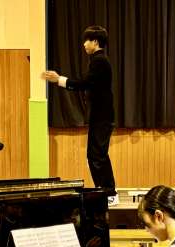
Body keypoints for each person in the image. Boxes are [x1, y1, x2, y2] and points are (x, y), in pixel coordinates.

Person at [42, 25, 118, 205]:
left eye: (87, 40)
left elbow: (84, 83)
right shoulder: (97, 60)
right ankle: (105, 191)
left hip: (102, 117)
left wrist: (59, 79)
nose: (84, 44)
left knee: (97, 156)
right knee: (94, 155)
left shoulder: (100, 61)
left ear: (95, 42)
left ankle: (109, 192)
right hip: (100, 116)